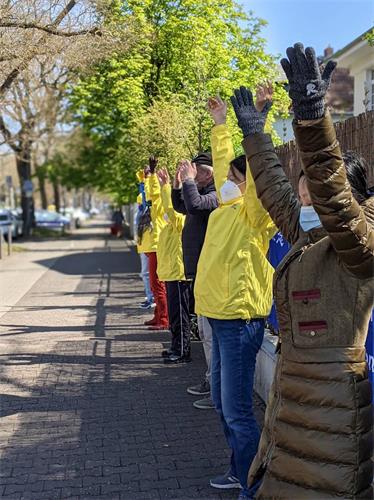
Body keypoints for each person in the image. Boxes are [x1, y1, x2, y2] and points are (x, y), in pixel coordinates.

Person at [231, 43, 373, 498]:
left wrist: (313, 117)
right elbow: (274, 190)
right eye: (304, 191)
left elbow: (335, 199)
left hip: (332, 412)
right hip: (291, 403)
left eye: (315, 191)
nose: (305, 199)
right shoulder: (308, 237)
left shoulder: (359, 243)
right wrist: (255, 134)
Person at [193, 95, 276, 498]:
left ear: (246, 181)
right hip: (217, 315)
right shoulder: (227, 206)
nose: (223, 176)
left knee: (239, 413)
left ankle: (253, 485)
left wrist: (256, 126)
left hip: (240, 321)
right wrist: (221, 123)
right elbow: (229, 162)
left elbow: (260, 179)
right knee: (224, 406)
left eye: (234, 174)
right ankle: (238, 468)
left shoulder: (252, 213)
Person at [172, 154, 219, 409]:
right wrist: (178, 184)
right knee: (204, 333)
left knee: (210, 336)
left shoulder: (215, 195)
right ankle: (211, 381)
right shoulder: (199, 191)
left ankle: (215, 387)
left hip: (209, 274)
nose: (193, 175)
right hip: (198, 273)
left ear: (208, 173)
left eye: (196, 172)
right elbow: (183, 206)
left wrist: (188, 183)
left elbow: (196, 206)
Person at [156, 168, 192, 363]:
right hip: (171, 274)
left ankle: (182, 351)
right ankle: (175, 346)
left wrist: (167, 186)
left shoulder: (181, 220)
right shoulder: (170, 227)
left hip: (179, 275)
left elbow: (170, 209)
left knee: (181, 315)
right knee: (175, 315)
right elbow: (164, 209)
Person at [139, 157, 168, 330]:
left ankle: (164, 319)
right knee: (154, 284)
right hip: (153, 245)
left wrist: (152, 173)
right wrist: (147, 176)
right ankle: (158, 316)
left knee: (157, 284)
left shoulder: (159, 201)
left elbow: (153, 192)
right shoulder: (154, 203)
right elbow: (147, 192)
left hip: (157, 246)